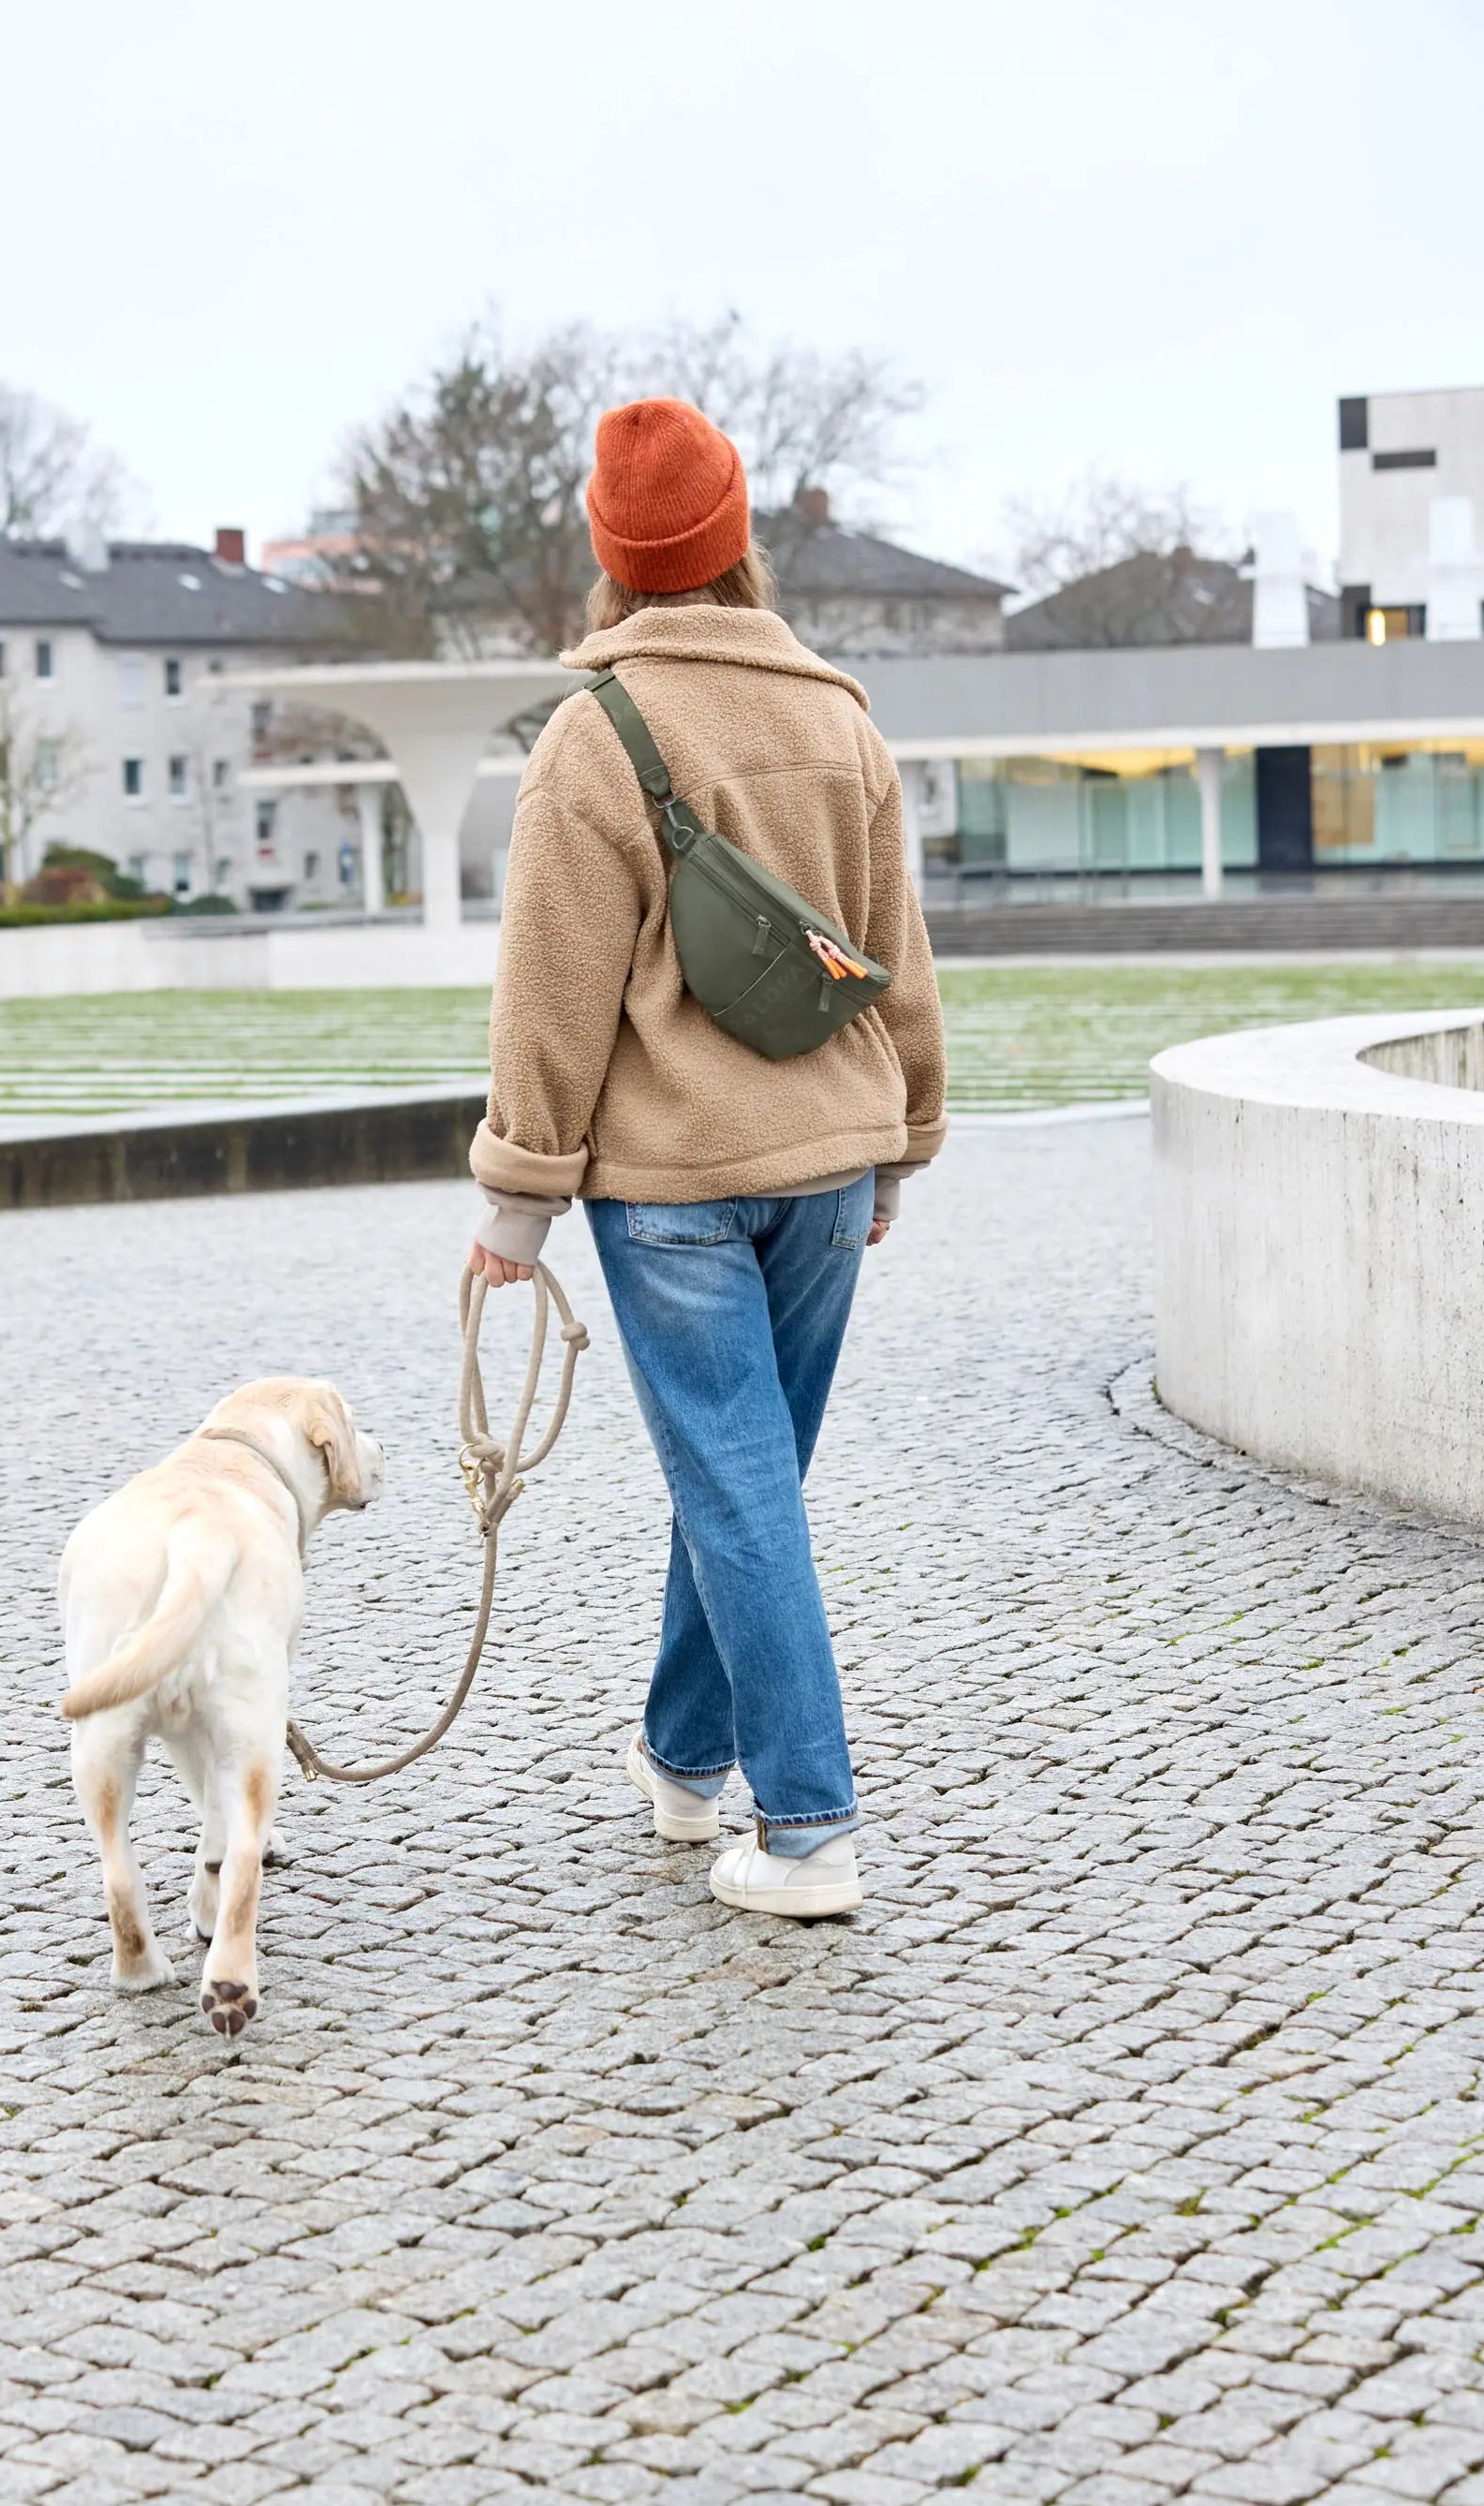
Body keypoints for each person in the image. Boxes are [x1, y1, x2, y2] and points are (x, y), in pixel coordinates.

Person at [467, 397, 947, 1920]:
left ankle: (808, 1828)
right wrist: (899, 1147)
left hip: (673, 1182)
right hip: (827, 1167)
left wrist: (515, 1203)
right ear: (738, 537)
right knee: (746, 1475)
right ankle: (683, 1763)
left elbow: (551, 990)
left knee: (736, 1482)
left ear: (613, 555)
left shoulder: (594, 735)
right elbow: (896, 957)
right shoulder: (839, 720)